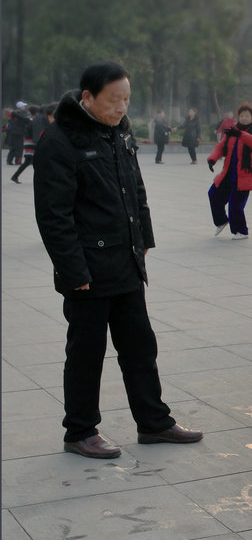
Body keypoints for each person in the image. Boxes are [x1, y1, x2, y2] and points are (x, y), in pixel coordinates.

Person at [32, 61, 203, 459]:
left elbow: (135, 190)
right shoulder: (60, 141)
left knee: (141, 347)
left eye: (126, 100)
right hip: (88, 271)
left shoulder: (119, 132)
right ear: (87, 97)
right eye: (113, 101)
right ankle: (80, 430)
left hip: (126, 262)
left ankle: (154, 422)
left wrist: (143, 240)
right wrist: (74, 270)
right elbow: (53, 216)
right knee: (86, 353)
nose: (121, 108)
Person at [207, 101, 252, 240]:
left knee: (235, 205)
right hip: (228, 174)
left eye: (247, 116)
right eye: (242, 116)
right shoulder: (232, 132)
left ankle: (242, 231)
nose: (244, 118)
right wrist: (212, 159)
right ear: (238, 117)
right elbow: (220, 146)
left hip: (244, 176)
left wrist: (239, 134)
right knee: (213, 194)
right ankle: (221, 221)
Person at [12, 102, 54, 183]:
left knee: (30, 161)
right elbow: (39, 132)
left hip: (31, 141)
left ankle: (15, 176)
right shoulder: (42, 118)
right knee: (33, 160)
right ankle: (15, 176)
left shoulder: (39, 117)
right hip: (33, 142)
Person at [6, 101, 29, 165]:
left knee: (14, 147)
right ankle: (17, 161)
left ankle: (9, 160)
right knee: (19, 147)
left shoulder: (14, 113)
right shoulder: (21, 113)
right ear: (20, 107)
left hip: (13, 132)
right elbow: (25, 119)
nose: (24, 107)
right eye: (23, 106)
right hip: (18, 133)